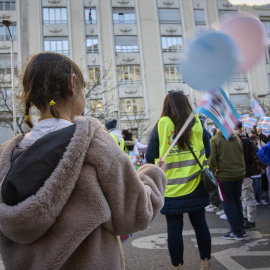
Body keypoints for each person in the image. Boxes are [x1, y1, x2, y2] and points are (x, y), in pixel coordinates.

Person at [0, 52, 167, 270]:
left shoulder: (6, 156)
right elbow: (136, 214)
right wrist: (152, 174)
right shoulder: (94, 142)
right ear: (72, 84)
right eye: (84, 88)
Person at [146, 92, 211, 270]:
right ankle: (206, 264)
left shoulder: (161, 125)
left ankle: (178, 267)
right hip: (196, 184)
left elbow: (150, 156)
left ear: (167, 106)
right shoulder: (197, 122)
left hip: (170, 187)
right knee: (200, 225)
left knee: (174, 229)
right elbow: (208, 150)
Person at [208, 125, 246, 241]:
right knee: (236, 201)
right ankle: (240, 227)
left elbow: (211, 160)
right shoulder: (237, 138)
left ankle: (236, 230)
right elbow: (241, 155)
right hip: (239, 174)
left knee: (227, 203)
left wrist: (213, 173)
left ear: (216, 126)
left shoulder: (215, 140)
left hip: (224, 176)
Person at [236, 123, 257, 230]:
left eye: (236, 129)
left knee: (248, 197)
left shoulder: (243, 141)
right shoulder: (240, 140)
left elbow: (243, 159)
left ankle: (251, 220)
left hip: (245, 173)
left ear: (240, 129)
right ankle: (245, 218)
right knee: (244, 197)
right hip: (241, 173)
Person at [249, 135, 268, 206]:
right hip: (254, 170)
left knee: (259, 186)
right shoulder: (251, 148)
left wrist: (262, 168)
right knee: (255, 186)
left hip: (258, 169)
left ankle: (260, 199)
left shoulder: (258, 148)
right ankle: (255, 199)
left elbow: (261, 158)